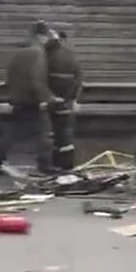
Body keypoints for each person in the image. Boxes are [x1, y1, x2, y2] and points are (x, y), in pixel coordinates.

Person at [0, 20, 56, 175]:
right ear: (41, 36)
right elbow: (36, 78)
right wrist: (47, 97)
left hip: (18, 99)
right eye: (46, 36)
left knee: (11, 132)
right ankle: (45, 165)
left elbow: (10, 76)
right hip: (32, 100)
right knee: (44, 132)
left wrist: (13, 94)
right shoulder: (38, 53)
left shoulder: (19, 53)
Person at [46, 29, 83, 171]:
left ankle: (54, 163)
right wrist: (74, 99)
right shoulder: (70, 56)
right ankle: (67, 163)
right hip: (67, 100)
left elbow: (43, 77)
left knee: (53, 132)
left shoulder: (47, 55)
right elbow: (79, 79)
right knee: (65, 133)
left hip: (52, 99)